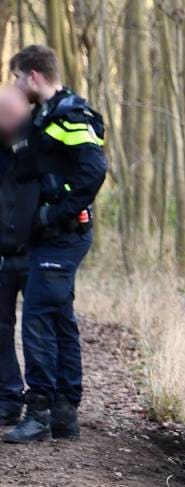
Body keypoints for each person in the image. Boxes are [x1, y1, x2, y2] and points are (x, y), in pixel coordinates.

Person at [4, 45, 106, 443]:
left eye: (16, 78)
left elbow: (94, 171)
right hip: (49, 239)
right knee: (59, 317)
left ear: (32, 75)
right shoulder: (45, 117)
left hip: (63, 238)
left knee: (38, 318)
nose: (15, 86)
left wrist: (53, 212)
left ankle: (40, 412)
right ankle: (66, 412)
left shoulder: (72, 115)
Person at [0, 87, 34, 426]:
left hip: (39, 251)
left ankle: (45, 404)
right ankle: (8, 398)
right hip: (3, 254)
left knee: (41, 329)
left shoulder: (41, 144)